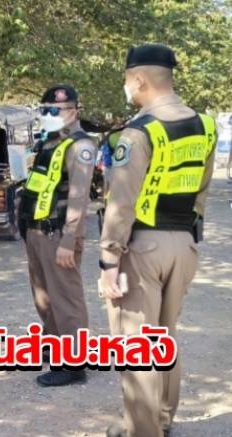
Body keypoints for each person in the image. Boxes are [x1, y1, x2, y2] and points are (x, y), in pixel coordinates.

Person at [99, 44, 217, 437]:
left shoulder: (138, 133)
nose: (126, 87)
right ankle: (162, 419)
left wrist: (109, 261)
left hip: (141, 250)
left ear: (138, 80)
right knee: (164, 338)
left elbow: (122, 203)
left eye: (126, 80)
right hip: (183, 244)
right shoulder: (206, 126)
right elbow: (201, 192)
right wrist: (187, 234)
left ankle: (142, 431)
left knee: (135, 345)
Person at [17, 85, 96, 387]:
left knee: (66, 299)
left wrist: (68, 240)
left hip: (59, 234)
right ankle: (54, 346)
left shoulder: (80, 145)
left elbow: (78, 198)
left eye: (56, 109)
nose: (49, 114)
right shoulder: (50, 141)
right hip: (37, 231)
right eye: (46, 109)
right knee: (44, 297)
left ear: (74, 110)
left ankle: (74, 365)